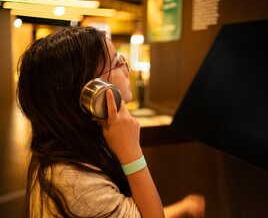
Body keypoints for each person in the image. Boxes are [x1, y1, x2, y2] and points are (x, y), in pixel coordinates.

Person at [17, 26, 205, 218]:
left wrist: (183, 207)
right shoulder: (76, 183)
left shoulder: (70, 153)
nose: (127, 68)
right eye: (117, 62)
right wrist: (132, 153)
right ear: (93, 91)